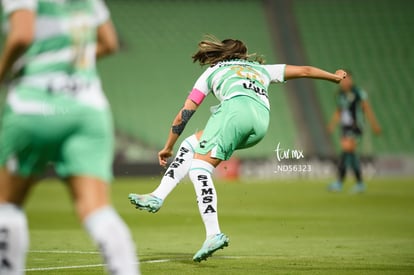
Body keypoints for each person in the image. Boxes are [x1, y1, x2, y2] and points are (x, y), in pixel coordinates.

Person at [129, 35, 347, 262]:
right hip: (260, 123)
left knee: (199, 169)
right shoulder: (260, 69)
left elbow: (185, 113)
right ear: (243, 55)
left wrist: (167, 146)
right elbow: (305, 71)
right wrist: (334, 77)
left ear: (220, 54)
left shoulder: (212, 72)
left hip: (234, 112)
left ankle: (213, 234)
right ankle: (157, 195)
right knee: (191, 144)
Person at [0, 1, 139, 274]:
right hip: (88, 107)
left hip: (35, 105)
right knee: (97, 209)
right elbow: (109, 42)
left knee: (7, 204)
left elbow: (22, 34)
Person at [327, 71, 381, 193]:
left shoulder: (357, 93)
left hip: (356, 126)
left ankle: (340, 182)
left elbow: (366, 108)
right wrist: (331, 125)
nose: (345, 81)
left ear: (351, 80)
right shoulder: (340, 94)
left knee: (346, 150)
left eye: (348, 79)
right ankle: (358, 183)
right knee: (349, 154)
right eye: (343, 79)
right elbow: (339, 111)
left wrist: (374, 125)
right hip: (345, 127)